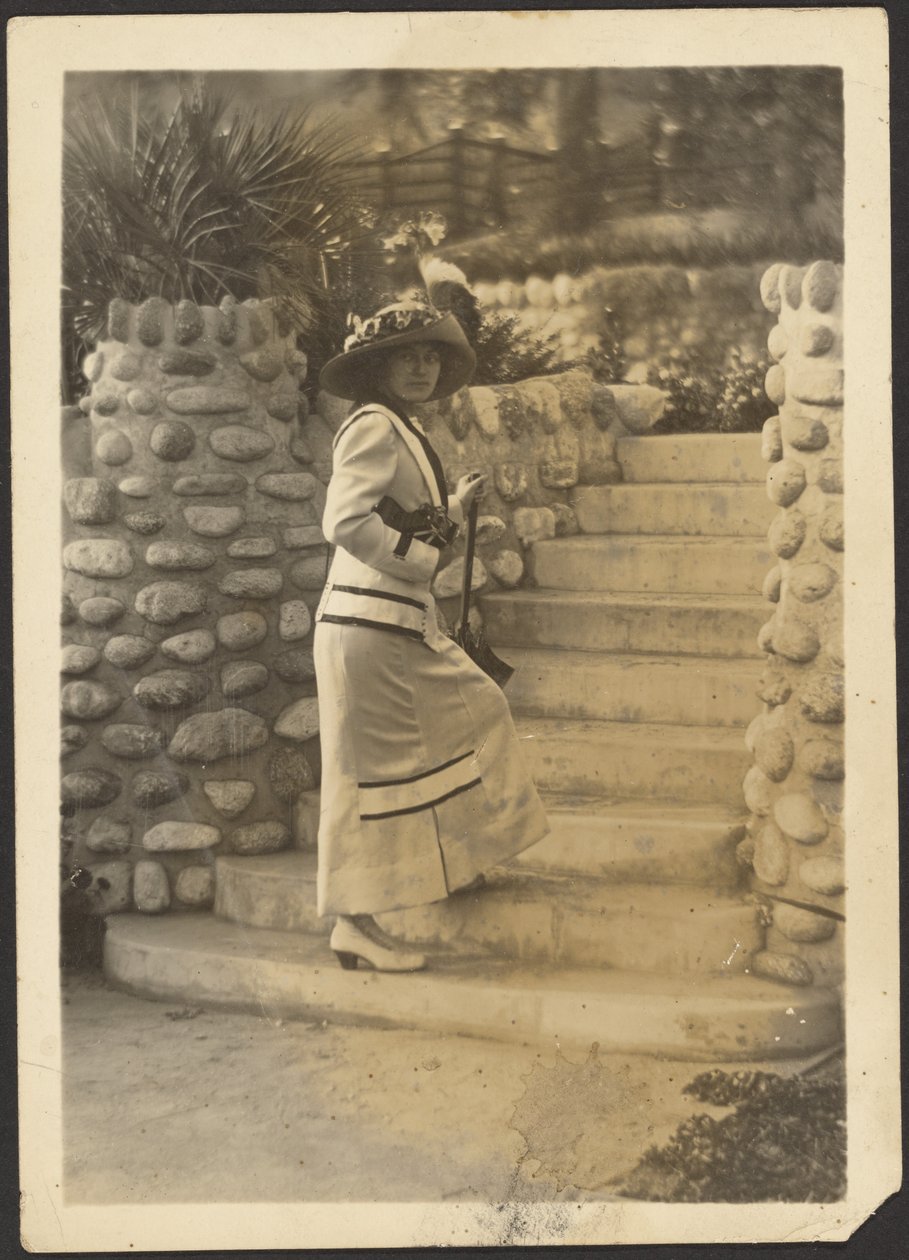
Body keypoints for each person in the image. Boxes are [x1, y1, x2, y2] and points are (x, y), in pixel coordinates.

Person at [314, 299, 549, 972]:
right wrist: (420, 561)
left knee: (473, 715)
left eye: (429, 358)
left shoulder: (398, 424)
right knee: (367, 777)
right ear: (378, 368)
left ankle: (457, 861)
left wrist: (450, 509)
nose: (421, 369)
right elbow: (345, 521)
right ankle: (354, 924)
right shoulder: (373, 424)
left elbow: (398, 517)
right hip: (367, 624)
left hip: (389, 621)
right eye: (405, 358)